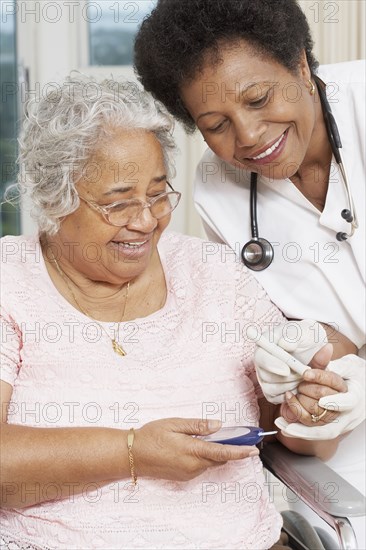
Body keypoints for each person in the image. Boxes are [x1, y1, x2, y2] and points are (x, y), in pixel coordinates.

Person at [0, 75, 356, 550]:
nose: (146, 221)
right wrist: (132, 453)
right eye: (118, 203)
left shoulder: (211, 273)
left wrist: (309, 409)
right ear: (52, 200)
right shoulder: (11, 281)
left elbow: (291, 428)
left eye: (157, 193)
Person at [134, 0, 366, 543]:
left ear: (302, 66)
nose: (250, 136)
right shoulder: (219, 189)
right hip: (351, 448)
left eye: (259, 98)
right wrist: (300, 355)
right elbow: (312, 335)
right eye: (215, 125)